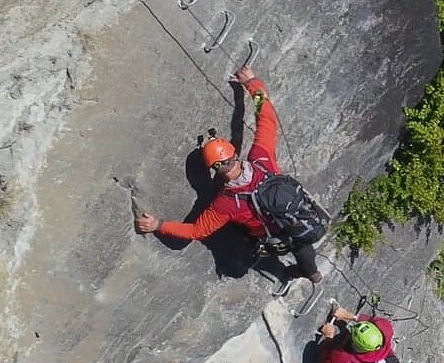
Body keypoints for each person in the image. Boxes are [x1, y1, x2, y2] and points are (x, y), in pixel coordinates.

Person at [134, 66, 325, 284]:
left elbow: (195, 231)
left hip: (269, 236)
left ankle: (303, 270)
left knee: (252, 238)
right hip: (295, 221)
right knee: (302, 245)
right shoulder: (262, 160)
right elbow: (267, 120)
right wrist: (252, 83)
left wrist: (158, 225)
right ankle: (311, 272)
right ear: (235, 153)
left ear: (213, 169)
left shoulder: (225, 204)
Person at [315, 302, 402, 363]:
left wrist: (329, 337)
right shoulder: (386, 330)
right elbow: (375, 321)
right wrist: (350, 316)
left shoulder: (347, 361)